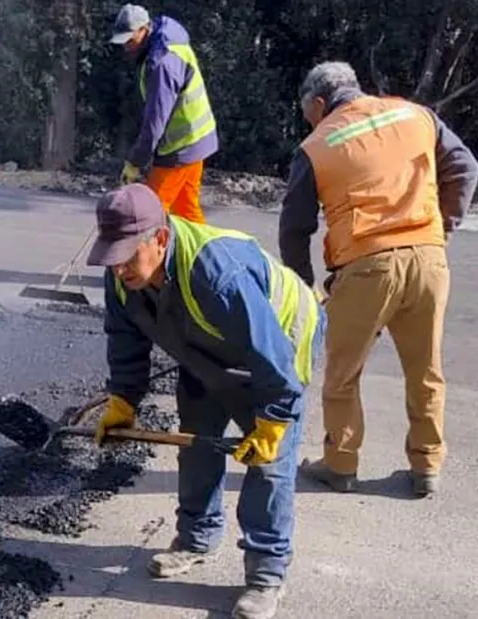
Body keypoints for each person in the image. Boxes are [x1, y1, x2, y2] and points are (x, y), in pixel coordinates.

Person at [87, 182, 325, 619]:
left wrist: (272, 420)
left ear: (159, 239)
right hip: (206, 349)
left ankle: (266, 575)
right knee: (195, 443)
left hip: (279, 346)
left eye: (126, 256)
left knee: (268, 468)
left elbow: (272, 358)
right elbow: (125, 339)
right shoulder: (122, 276)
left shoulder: (218, 274)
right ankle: (196, 538)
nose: (118, 269)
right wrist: (124, 398)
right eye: (112, 256)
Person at [278, 61, 478, 497]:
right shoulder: (415, 115)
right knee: (425, 368)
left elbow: (294, 228)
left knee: (343, 372)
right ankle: (426, 467)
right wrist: (440, 229)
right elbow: (466, 169)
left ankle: (340, 464)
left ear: (318, 103)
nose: (309, 121)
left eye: (308, 113)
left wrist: (305, 288)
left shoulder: (316, 146)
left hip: (367, 267)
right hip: (429, 260)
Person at [108, 4, 218, 224]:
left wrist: (135, 163)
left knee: (148, 216)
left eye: (130, 40)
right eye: (123, 41)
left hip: (181, 148)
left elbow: (154, 125)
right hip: (197, 139)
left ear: (145, 29)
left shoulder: (162, 63)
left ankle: (134, 258)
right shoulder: (163, 40)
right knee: (187, 213)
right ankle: (203, 255)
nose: (127, 46)